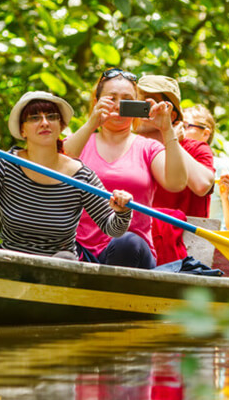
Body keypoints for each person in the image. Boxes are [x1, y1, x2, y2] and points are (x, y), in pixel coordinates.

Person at [0, 91, 133, 259]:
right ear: (23, 130)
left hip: (57, 269)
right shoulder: (6, 164)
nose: (45, 122)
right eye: (34, 118)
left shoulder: (80, 175)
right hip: (9, 262)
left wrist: (122, 212)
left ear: (61, 126)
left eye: (52, 117)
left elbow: (112, 229)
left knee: (65, 259)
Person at [63, 68, 187, 269]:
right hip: (80, 249)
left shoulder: (147, 147)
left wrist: (167, 129)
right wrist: (92, 122)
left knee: (127, 243)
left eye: (127, 99)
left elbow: (176, 183)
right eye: (111, 98)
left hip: (130, 251)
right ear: (97, 102)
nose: (119, 105)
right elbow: (57, 166)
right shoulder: (81, 142)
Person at [135, 77, 216, 218]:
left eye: (148, 104)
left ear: (171, 115)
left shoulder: (194, 148)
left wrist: (169, 139)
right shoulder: (128, 146)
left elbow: (202, 185)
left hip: (182, 236)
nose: (139, 110)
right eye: (136, 102)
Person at [182, 104, 229, 231]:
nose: (179, 131)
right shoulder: (165, 161)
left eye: (185, 126)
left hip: (211, 241)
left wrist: (226, 197)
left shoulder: (224, 169)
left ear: (205, 134)